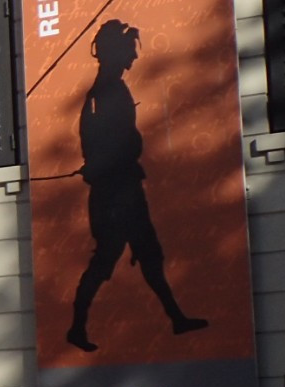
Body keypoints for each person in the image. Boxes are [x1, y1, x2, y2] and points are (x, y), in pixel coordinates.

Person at [66, 20, 207, 353]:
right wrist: (102, 163)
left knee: (147, 253)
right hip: (115, 191)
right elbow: (102, 140)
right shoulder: (106, 91)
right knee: (109, 259)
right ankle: (76, 327)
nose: (133, 57)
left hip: (122, 185)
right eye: (129, 51)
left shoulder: (109, 89)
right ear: (114, 52)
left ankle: (175, 317)